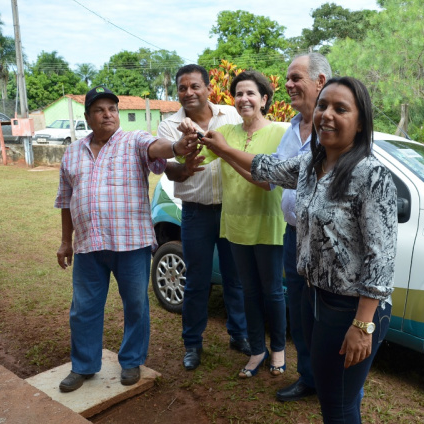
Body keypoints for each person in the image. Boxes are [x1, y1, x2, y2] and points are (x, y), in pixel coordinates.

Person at [192, 77, 397, 423]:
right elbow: (264, 166)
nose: (326, 115)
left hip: (350, 308)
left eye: (340, 109)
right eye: (323, 106)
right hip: (312, 297)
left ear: (361, 123)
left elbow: (382, 258)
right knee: (331, 394)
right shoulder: (310, 166)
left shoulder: (371, 175)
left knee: (340, 402)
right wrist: (223, 148)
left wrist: (363, 325)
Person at [55, 85, 202, 393]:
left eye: (112, 109)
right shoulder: (71, 154)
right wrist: (66, 241)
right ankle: (83, 366)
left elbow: (158, 147)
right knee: (83, 308)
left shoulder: (133, 140)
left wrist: (177, 146)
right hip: (87, 245)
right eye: (99, 110)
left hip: (131, 244)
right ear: (88, 117)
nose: (107, 114)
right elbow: (66, 201)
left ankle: (132, 361)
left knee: (135, 304)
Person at [181, 70, 287, 379]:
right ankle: (257, 350)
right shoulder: (227, 131)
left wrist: (226, 153)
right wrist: (187, 136)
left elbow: (268, 179)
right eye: (239, 94)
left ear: (264, 99)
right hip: (235, 224)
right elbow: (197, 155)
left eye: (251, 93)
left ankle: (278, 348)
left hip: (267, 224)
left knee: (272, 292)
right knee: (248, 292)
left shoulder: (279, 133)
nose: (244, 99)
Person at [158, 64, 250, 372]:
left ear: (208, 88)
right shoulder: (170, 125)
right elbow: (166, 166)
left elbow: (245, 147)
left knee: (235, 278)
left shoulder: (231, 116)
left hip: (230, 209)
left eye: (195, 86)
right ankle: (192, 345)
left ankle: (239, 335)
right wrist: (183, 163)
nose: (188, 92)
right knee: (196, 281)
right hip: (196, 212)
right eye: (182, 88)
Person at [273, 53, 330, 402]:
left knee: (327, 317)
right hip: (293, 236)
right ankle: (308, 377)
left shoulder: (338, 129)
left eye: (296, 77)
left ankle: (333, 382)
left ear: (319, 81)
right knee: (300, 314)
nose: (288, 85)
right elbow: (275, 175)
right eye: (288, 78)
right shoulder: (291, 129)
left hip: (325, 242)